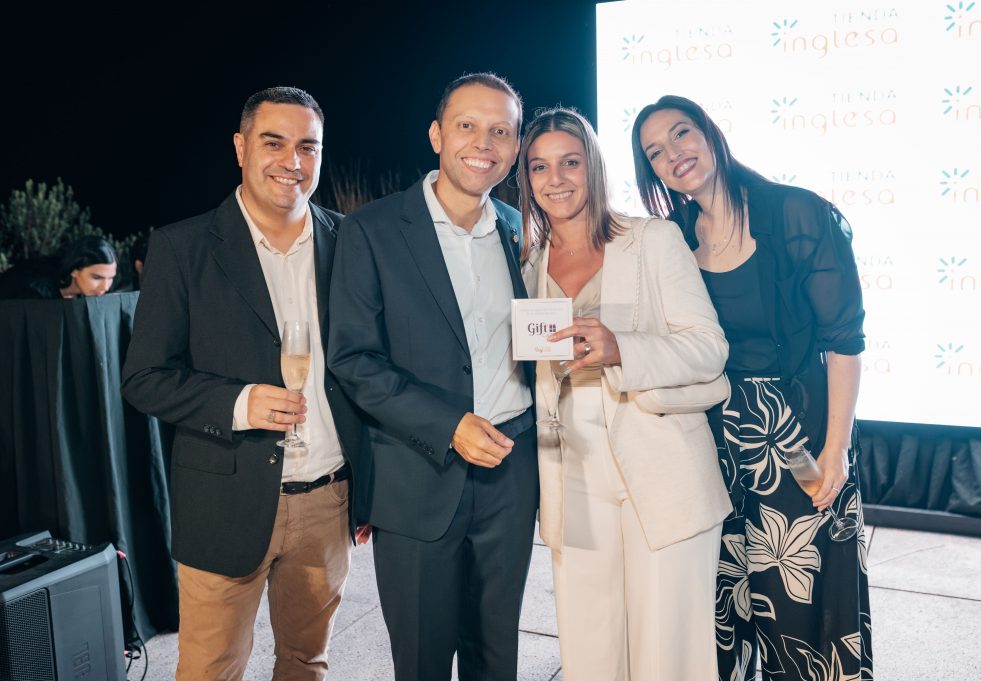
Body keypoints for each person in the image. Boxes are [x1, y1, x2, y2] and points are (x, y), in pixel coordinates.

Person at [121, 86, 364, 681]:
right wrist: (239, 403)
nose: (292, 161)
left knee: (306, 663)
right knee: (210, 670)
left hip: (327, 500)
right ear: (240, 147)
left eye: (308, 146)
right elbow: (144, 379)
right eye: (273, 143)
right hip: (223, 502)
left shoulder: (351, 243)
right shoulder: (182, 247)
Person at [632, 95, 872, 681]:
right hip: (710, 441)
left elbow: (844, 341)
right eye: (655, 152)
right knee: (724, 604)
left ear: (709, 132)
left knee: (801, 602)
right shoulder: (674, 238)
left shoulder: (796, 214)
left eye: (681, 133)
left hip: (795, 437)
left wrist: (836, 447)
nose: (673, 154)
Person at [327, 72, 536, 681]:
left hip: (512, 469)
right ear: (437, 135)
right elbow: (353, 359)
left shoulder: (521, 229)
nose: (484, 143)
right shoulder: (370, 230)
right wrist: (449, 426)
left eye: (500, 131)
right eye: (468, 125)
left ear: (514, 147)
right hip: (416, 473)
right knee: (421, 658)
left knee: (496, 653)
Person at [518, 107, 731, 680]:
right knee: (591, 656)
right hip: (572, 479)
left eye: (570, 162)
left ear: (594, 166)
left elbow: (709, 348)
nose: (555, 179)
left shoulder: (652, 240)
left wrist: (622, 349)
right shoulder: (528, 265)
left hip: (661, 473)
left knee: (669, 658)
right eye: (539, 166)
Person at [0, 235, 117, 299]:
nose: (105, 287)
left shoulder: (86, 293)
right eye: (96, 277)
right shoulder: (36, 292)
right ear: (75, 271)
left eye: (111, 278)